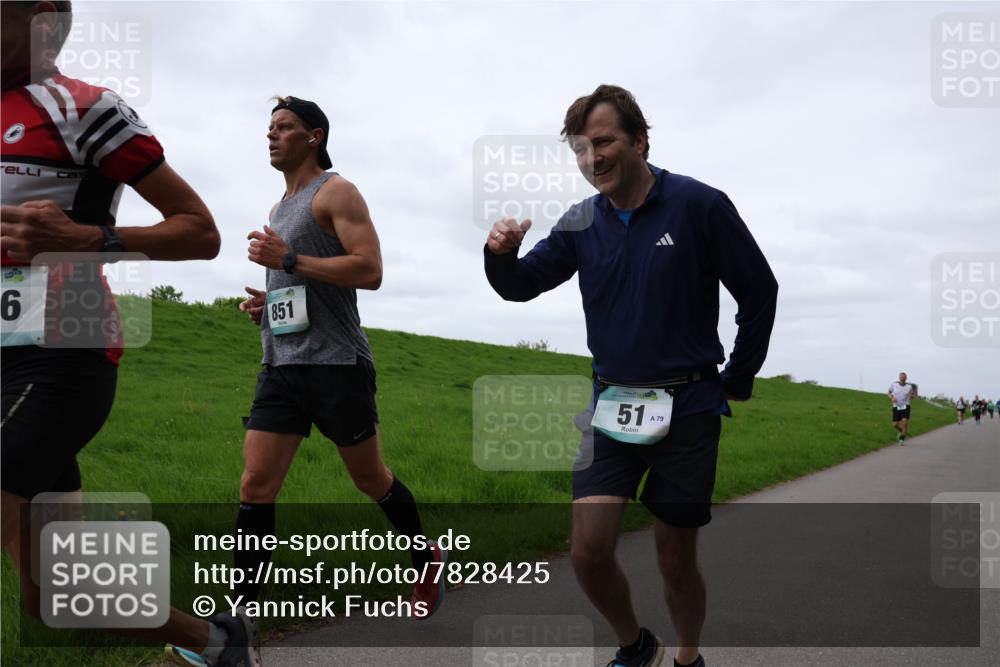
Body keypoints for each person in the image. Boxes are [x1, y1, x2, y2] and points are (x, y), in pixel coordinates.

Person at [0, 3, 261, 666]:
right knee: (54, 591)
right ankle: (217, 639)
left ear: (42, 23)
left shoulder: (84, 110)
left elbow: (199, 231)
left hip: (64, 355)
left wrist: (87, 237)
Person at [483, 85, 778, 667]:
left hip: (688, 407)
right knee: (588, 553)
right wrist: (500, 255)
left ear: (640, 140)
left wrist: (737, 378)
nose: (592, 159)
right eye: (580, 150)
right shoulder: (579, 222)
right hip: (611, 406)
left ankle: (688, 655)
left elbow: (759, 291)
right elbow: (520, 287)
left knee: (674, 557)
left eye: (603, 142)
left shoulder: (699, 206)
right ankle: (634, 644)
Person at [232, 95, 445, 618]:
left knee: (370, 479)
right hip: (281, 366)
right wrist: (271, 308)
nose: (271, 134)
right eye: (269, 127)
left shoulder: (338, 192)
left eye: (284, 127)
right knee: (255, 485)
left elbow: (369, 270)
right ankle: (235, 620)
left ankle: (426, 558)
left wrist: (288, 258)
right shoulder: (278, 208)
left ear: (315, 136)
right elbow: (304, 287)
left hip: (336, 364)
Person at [888, 372, 915, 444]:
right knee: (895, 424)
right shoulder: (894, 385)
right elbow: (889, 392)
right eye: (901, 377)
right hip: (896, 406)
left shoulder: (909, 387)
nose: (902, 378)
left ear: (906, 378)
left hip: (905, 406)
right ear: (899, 378)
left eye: (903, 377)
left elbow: (912, 396)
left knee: (905, 422)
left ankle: (902, 439)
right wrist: (891, 397)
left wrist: (911, 396)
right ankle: (902, 431)